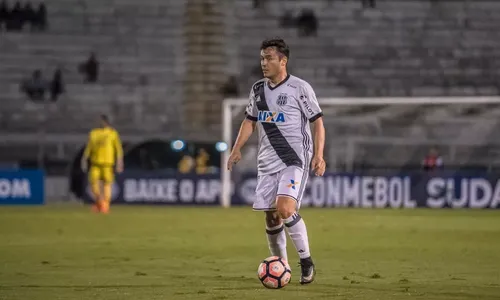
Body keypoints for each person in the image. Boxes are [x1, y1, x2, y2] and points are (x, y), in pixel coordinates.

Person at [227, 38, 326, 285]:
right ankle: (281, 265)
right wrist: (236, 148)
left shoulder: (299, 88)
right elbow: (249, 121)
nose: (264, 63)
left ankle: (306, 261)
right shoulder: (258, 89)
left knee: (285, 210)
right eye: (262, 58)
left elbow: (317, 122)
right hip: (267, 162)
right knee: (271, 217)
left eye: (269, 58)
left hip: (294, 158)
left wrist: (319, 154)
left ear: (283, 61)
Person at [81, 115, 124, 213]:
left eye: (102, 121)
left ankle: (105, 205)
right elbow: (89, 147)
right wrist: (84, 158)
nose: (100, 123)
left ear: (106, 122)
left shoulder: (112, 134)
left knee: (107, 184)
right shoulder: (94, 133)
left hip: (107, 164)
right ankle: (100, 202)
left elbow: (118, 149)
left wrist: (119, 162)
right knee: (93, 184)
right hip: (95, 163)